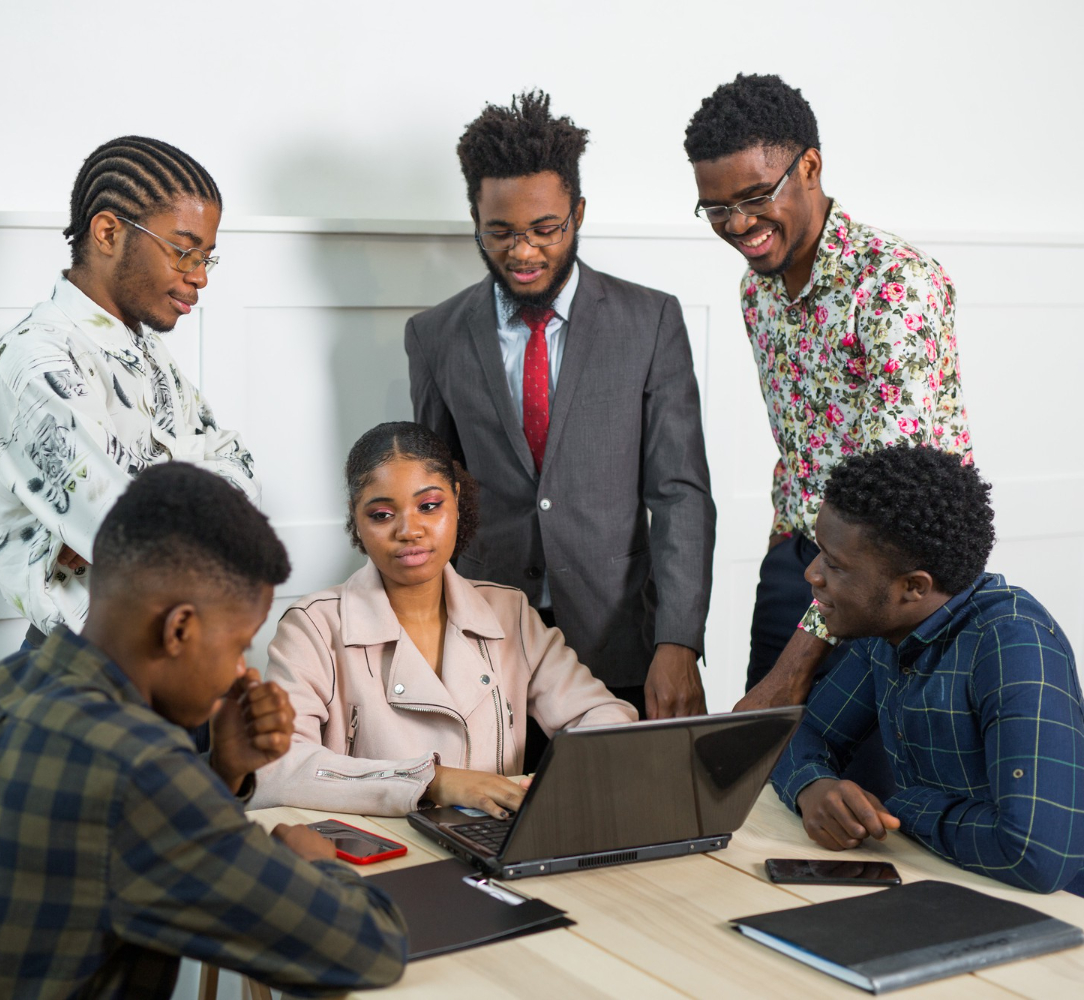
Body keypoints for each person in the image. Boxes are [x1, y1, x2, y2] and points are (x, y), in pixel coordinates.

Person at [0, 463, 408, 998]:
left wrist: (225, 769)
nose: (242, 670)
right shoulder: (135, 770)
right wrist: (316, 865)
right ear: (179, 630)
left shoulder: (9, 683)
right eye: (238, 644)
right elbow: (368, 949)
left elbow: (136, 847)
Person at [407, 91, 715, 738]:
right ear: (474, 218)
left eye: (545, 229)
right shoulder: (435, 336)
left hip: (624, 646)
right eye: (501, 232)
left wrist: (678, 641)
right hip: (486, 647)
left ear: (578, 213)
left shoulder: (650, 322)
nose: (523, 252)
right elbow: (431, 498)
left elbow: (680, 494)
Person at [683, 74, 972, 714]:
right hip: (803, 559)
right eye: (717, 208)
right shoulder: (755, 290)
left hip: (894, 588)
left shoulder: (896, 284)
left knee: (863, 800)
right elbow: (797, 444)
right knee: (763, 781)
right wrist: (782, 555)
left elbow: (893, 507)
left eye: (756, 196)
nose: (738, 224)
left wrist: (792, 669)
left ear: (809, 165)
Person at [768, 447, 1084, 905]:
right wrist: (813, 785)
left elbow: (1036, 856)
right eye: (819, 555)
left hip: (1051, 920)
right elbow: (806, 730)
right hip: (945, 883)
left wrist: (899, 805)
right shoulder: (887, 627)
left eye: (834, 565)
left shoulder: (1013, 644)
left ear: (914, 587)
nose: (813, 574)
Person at [251, 422, 637, 819]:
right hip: (380, 858)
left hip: (494, 846)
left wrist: (562, 776)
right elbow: (276, 769)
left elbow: (603, 715)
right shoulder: (312, 627)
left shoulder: (511, 613)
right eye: (382, 514)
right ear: (357, 519)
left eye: (429, 506)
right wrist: (432, 780)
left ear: (455, 499)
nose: (409, 530)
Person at [0, 135, 260, 649]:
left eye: (206, 258)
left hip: (177, 657)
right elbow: (138, 542)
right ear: (108, 232)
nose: (199, 276)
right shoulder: (38, 359)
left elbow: (233, 461)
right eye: (183, 251)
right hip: (95, 669)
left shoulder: (143, 349)